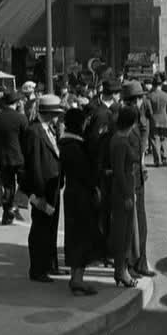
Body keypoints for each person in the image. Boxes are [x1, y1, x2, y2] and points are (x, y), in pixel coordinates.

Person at [23, 95, 64, 283]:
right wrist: (38, 194)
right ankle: (38, 269)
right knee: (40, 229)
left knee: (50, 228)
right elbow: (33, 164)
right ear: (49, 113)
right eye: (56, 113)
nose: (58, 117)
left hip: (52, 187)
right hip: (42, 189)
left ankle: (49, 264)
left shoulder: (48, 129)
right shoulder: (34, 131)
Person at [59, 109, 99, 296]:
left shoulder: (65, 143)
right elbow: (86, 174)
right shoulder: (76, 146)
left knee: (74, 235)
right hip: (81, 194)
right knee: (82, 236)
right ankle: (77, 279)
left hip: (71, 193)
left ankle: (75, 277)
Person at [83, 78, 121, 266]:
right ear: (114, 95)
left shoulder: (96, 109)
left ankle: (101, 250)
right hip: (101, 171)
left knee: (102, 212)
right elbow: (96, 144)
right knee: (102, 212)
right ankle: (101, 252)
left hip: (100, 169)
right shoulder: (103, 114)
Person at [121, 81, 155, 277]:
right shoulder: (128, 120)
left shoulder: (137, 118)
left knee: (140, 224)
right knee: (131, 225)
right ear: (137, 99)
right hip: (130, 177)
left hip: (138, 175)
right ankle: (130, 264)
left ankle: (140, 262)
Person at [109, 106, 140, 288]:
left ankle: (121, 269)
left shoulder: (118, 138)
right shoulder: (121, 142)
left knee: (124, 232)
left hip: (124, 186)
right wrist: (127, 195)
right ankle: (121, 270)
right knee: (124, 233)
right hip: (124, 189)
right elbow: (119, 171)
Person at [0, 90, 27, 225]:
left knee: (8, 185)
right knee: (23, 183)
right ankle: (16, 205)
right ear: (15, 103)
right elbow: (25, 138)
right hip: (18, 156)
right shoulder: (20, 118)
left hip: (1, 157)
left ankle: (7, 211)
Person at [146, 74, 167, 167]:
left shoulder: (149, 96)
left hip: (154, 120)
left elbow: (149, 110)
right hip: (165, 119)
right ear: (161, 85)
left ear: (153, 85)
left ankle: (157, 160)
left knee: (154, 140)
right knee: (164, 139)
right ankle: (164, 158)